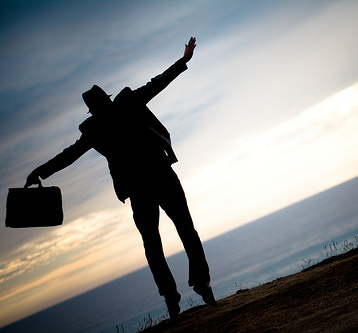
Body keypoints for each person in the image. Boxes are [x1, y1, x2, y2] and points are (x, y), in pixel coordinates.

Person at [25, 37, 217, 319]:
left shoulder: (95, 127)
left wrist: (40, 171)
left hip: (140, 188)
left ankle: (172, 295)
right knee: (184, 230)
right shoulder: (127, 101)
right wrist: (183, 61)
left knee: (153, 243)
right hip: (160, 177)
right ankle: (201, 285)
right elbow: (157, 83)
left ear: (93, 108)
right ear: (107, 98)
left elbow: (70, 154)